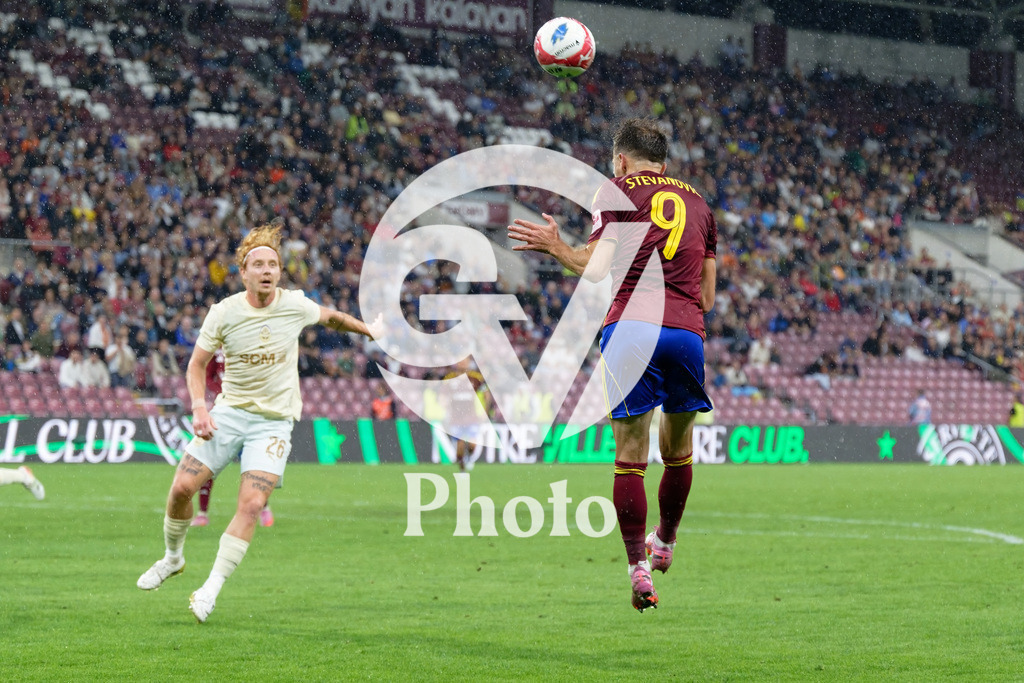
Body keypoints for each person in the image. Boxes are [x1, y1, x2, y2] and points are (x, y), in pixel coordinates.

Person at [508, 118, 716, 612]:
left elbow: (596, 269)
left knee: (630, 455)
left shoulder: (616, 190)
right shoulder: (700, 204)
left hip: (631, 329)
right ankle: (664, 541)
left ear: (621, 160)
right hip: (686, 332)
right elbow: (707, 296)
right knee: (679, 449)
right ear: (663, 162)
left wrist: (558, 246)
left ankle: (637, 568)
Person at [137, 221, 382, 623]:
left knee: (251, 505)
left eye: (273, 264)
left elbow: (332, 318)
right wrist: (199, 407)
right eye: (259, 264)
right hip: (229, 414)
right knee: (182, 487)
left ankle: (209, 590)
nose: (268, 270)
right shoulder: (224, 313)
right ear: (244, 272)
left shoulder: (294, 305)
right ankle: (173, 558)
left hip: (273, 423)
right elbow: (196, 364)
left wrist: (368, 330)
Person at [192, 348, 275, 529]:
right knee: (208, 464)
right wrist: (220, 390)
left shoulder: (247, 345)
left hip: (248, 414)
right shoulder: (216, 351)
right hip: (223, 414)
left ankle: (264, 508)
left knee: (253, 465)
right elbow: (208, 376)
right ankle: (202, 514)